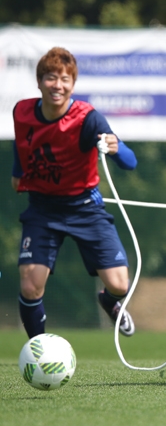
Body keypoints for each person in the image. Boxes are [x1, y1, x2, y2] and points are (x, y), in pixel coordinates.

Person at [12, 47, 138, 339]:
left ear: (73, 84)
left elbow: (130, 163)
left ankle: (109, 301)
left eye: (65, 79)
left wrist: (117, 148)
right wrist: (18, 174)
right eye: (51, 77)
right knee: (30, 285)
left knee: (120, 284)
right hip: (42, 209)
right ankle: (38, 349)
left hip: (85, 208)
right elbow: (20, 145)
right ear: (39, 81)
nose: (58, 84)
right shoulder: (22, 111)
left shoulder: (87, 118)